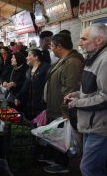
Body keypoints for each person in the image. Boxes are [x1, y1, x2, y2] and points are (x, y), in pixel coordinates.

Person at [65, 23, 107, 176]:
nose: (79, 43)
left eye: (84, 39)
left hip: (99, 127)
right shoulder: (93, 58)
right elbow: (92, 90)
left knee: (89, 168)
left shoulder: (105, 60)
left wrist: (77, 103)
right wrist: (76, 95)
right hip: (91, 124)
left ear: (99, 40)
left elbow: (105, 97)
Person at [42, 33, 84, 174]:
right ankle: (57, 161)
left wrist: (66, 112)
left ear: (59, 47)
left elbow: (70, 89)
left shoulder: (73, 62)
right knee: (58, 138)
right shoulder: (64, 60)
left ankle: (63, 165)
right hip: (55, 108)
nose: (51, 50)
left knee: (64, 139)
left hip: (63, 111)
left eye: (52, 46)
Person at [15, 49, 50, 120]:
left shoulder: (46, 68)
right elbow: (26, 84)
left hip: (41, 104)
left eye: (29, 55)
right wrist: (18, 96)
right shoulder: (29, 69)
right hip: (30, 104)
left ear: (36, 57)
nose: (26, 58)